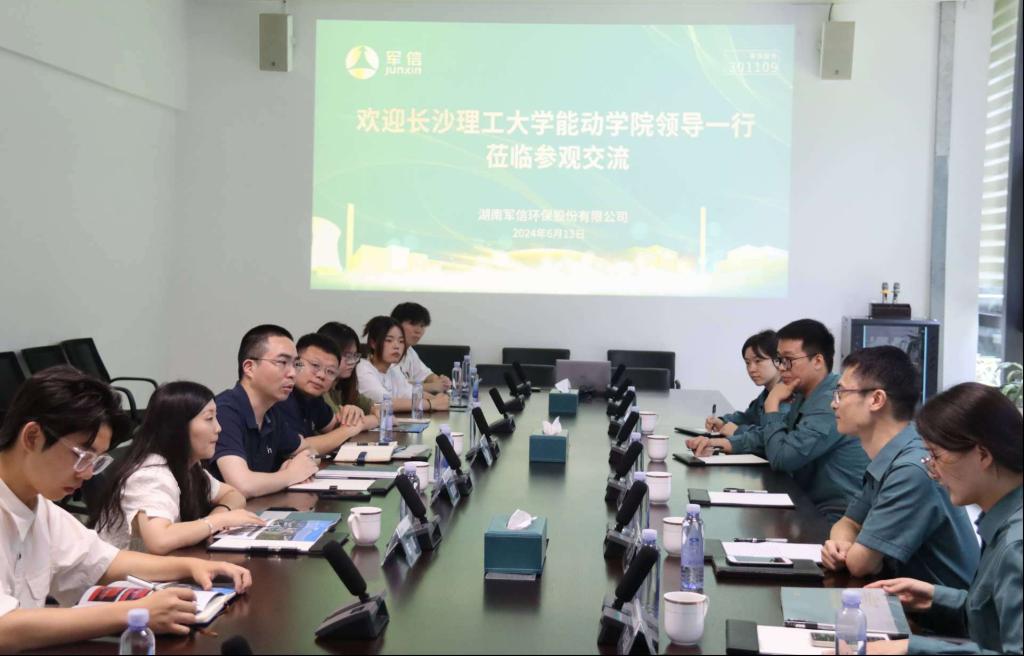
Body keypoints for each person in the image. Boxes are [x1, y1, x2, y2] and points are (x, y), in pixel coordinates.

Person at [0, 367, 252, 652]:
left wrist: (192, 566)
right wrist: (135, 613)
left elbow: (107, 563)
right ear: (32, 437)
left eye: (96, 461)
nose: (87, 474)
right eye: (82, 456)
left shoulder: (41, 508)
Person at [866, 382, 1022, 655]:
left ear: (983, 455)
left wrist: (911, 649)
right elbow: (995, 617)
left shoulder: (1016, 545)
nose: (933, 471)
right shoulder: (1004, 518)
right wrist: (936, 598)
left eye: (935, 456)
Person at [820, 347, 978, 588]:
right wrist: (841, 547)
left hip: (938, 610)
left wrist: (855, 555)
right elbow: (847, 523)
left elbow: (861, 565)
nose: (834, 404)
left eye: (841, 392)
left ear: (876, 400)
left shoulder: (911, 468)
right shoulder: (892, 454)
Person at [687, 319, 869, 521]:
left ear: (817, 361)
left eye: (788, 360)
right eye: (779, 360)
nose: (781, 368)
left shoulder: (829, 403)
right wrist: (721, 443)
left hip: (836, 517)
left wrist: (772, 404)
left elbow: (783, 458)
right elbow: (774, 437)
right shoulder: (803, 394)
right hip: (807, 503)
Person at [90, 381, 265, 554]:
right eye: (209, 418)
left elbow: (233, 495)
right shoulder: (151, 473)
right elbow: (159, 540)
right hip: (122, 571)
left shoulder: (187, 465)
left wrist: (218, 516)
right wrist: (218, 521)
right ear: (178, 427)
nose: (218, 428)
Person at [208, 324, 320, 498]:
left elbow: (310, 450)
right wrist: (290, 474)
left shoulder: (271, 413)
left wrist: (294, 462)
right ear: (249, 368)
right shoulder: (224, 411)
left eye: (295, 364)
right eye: (282, 362)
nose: (292, 373)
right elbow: (242, 485)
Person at [277, 333, 377, 454]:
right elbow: (298, 448)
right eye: (315, 365)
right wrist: (350, 429)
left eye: (330, 372)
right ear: (295, 363)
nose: (321, 375)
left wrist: (353, 415)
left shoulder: (313, 398)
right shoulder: (281, 397)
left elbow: (335, 427)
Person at [701, 330, 787, 451]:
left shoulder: (787, 395)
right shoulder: (767, 392)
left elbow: (771, 436)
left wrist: (737, 431)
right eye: (747, 363)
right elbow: (748, 417)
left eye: (758, 361)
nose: (751, 369)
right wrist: (722, 421)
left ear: (777, 360)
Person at [356, 316, 449, 412]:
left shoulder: (394, 369)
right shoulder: (363, 369)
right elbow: (385, 402)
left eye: (401, 341)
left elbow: (411, 393)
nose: (397, 346)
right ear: (373, 343)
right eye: (389, 340)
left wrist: (440, 400)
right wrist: (431, 403)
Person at [317, 322, 378, 418]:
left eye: (355, 355)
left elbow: (375, 407)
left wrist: (376, 412)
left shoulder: (343, 386)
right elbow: (340, 421)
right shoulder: (318, 387)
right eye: (346, 355)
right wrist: (375, 419)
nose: (352, 362)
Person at [391, 302, 452, 393]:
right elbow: (397, 387)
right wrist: (433, 386)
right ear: (396, 324)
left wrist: (440, 381)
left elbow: (426, 375)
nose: (418, 331)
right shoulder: (386, 351)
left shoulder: (410, 351)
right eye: (413, 324)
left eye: (422, 326)